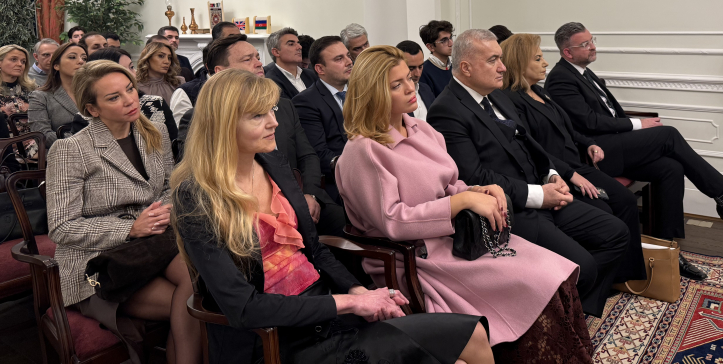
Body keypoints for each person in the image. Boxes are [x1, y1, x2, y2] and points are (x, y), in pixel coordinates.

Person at [171, 69, 492, 364]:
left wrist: (355, 290)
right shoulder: (196, 197)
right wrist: (348, 303)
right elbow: (244, 308)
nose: (274, 123)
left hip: (326, 312)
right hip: (274, 339)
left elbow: (315, 250)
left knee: (473, 334)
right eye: (258, 115)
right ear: (223, 124)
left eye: (271, 110)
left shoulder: (272, 164)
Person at [337, 46, 592, 363]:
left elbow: (449, 184)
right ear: (373, 93)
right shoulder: (364, 150)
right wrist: (461, 201)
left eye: (409, 78)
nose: (411, 87)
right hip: (414, 257)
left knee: (552, 270)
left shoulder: (422, 129)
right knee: (533, 280)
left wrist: (479, 190)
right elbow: (393, 221)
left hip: (457, 239)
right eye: (395, 85)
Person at [427, 29, 629, 317]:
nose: (503, 67)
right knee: (583, 267)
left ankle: (572, 313)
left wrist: (551, 175)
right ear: (466, 68)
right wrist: (539, 195)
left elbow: (531, 144)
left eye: (501, 58)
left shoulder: (498, 95)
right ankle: (553, 317)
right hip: (511, 209)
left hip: (542, 192)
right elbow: (475, 177)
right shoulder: (446, 111)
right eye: (493, 60)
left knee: (616, 233)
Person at [545, 23, 723, 259]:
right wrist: (638, 124)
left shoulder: (584, 72)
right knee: (668, 134)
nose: (593, 46)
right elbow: (589, 122)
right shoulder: (560, 78)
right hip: (596, 153)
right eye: (585, 44)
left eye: (592, 40)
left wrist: (633, 128)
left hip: (616, 146)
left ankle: (665, 250)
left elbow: (609, 114)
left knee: (671, 168)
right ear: (568, 52)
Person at [46, 60, 199, 364]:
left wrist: (163, 210)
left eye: (130, 89)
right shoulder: (71, 150)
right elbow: (62, 227)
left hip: (154, 243)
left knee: (202, 282)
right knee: (191, 304)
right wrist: (129, 228)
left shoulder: (153, 131)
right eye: (114, 97)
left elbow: (168, 187)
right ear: (92, 109)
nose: (130, 100)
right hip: (99, 261)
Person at [500, 34, 646, 283]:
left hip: (576, 164)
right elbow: (533, 149)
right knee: (612, 206)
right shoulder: (513, 100)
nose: (546, 63)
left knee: (623, 201)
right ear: (519, 64)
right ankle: (607, 275)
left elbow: (567, 128)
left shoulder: (539, 91)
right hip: (559, 171)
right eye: (538, 58)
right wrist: (570, 174)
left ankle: (623, 273)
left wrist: (588, 143)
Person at [175, 34, 346, 236]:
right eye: (247, 59)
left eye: (257, 57)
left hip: (299, 193)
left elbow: (308, 155)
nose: (259, 64)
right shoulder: (201, 118)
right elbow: (201, 177)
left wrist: (310, 194)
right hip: (246, 206)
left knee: (348, 225)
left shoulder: (284, 106)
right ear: (221, 72)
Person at [294, 37, 353, 203]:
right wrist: (357, 168)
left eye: (348, 56)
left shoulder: (362, 92)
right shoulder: (306, 102)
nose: (349, 62)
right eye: (339, 59)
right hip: (338, 181)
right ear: (320, 69)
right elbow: (319, 153)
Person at [28, 42, 87, 147]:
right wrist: (82, 140)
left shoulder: (94, 93)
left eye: (84, 58)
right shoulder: (40, 96)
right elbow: (41, 136)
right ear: (56, 65)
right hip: (63, 152)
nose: (81, 61)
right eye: (72, 57)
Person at [0, 44, 38, 161]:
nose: (20, 64)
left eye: (23, 61)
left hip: (35, 140)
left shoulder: (33, 89)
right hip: (4, 146)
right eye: (14, 59)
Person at [263, 27, 315, 99]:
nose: (299, 47)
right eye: (291, 44)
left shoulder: (311, 75)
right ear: (276, 52)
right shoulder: (271, 82)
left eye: (298, 43)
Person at [170, 42, 212, 125]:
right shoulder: (186, 91)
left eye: (169, 58)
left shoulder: (184, 71)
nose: (166, 61)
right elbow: (182, 128)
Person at [136, 41, 184, 106]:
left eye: (169, 58)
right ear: (148, 58)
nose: (167, 61)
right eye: (161, 56)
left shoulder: (178, 82)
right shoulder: (136, 86)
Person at [395, 40, 435, 120]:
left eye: (420, 67)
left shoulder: (426, 89)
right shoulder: (395, 97)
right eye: (411, 68)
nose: (418, 74)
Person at [419, 20, 454, 99]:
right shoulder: (424, 72)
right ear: (431, 47)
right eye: (444, 40)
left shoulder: (454, 67)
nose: (451, 43)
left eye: (451, 38)